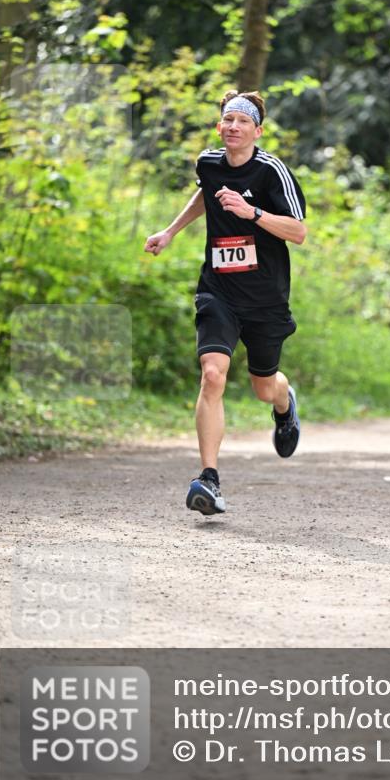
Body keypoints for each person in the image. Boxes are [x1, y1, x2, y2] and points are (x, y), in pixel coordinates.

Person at [144, 89, 307, 517]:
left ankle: (284, 400)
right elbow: (204, 192)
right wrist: (170, 231)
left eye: (242, 122)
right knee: (213, 374)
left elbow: (298, 231)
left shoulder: (272, 172)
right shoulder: (209, 162)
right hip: (218, 288)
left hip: (266, 298)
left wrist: (250, 213)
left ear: (258, 130)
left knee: (262, 386)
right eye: (227, 120)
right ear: (220, 126)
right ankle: (208, 479)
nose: (233, 127)